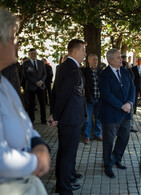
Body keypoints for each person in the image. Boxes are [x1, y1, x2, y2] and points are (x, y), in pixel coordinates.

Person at [0, 7, 50, 193]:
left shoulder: (4, 83)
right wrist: (36, 161)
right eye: (14, 38)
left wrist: (39, 145)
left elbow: (25, 123)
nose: (17, 46)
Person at [47, 39, 87, 194]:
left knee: (64, 152)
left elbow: (56, 92)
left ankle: (62, 184)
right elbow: (63, 94)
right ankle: (65, 188)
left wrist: (54, 114)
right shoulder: (71, 68)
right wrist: (55, 116)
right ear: (76, 51)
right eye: (83, 50)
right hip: (70, 118)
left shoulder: (66, 66)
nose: (84, 54)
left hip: (69, 117)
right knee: (68, 154)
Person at [99, 48, 135, 178]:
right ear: (110, 60)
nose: (122, 59)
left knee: (124, 137)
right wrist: (121, 106)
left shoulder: (125, 72)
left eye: (121, 57)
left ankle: (117, 159)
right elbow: (106, 95)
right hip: (111, 114)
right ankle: (108, 165)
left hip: (125, 113)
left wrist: (130, 103)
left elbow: (132, 88)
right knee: (108, 141)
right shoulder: (104, 75)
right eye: (119, 57)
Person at [81, 54, 102, 144]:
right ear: (88, 61)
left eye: (96, 59)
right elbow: (84, 85)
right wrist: (87, 96)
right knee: (88, 118)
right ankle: (87, 136)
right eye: (93, 59)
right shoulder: (84, 71)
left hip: (99, 98)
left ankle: (98, 134)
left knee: (99, 117)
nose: (95, 61)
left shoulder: (100, 71)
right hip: (89, 98)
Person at [23, 48, 47, 124]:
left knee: (43, 104)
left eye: (35, 53)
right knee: (31, 105)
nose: (34, 55)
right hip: (31, 87)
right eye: (32, 53)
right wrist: (36, 82)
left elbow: (44, 74)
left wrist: (41, 81)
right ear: (29, 54)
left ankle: (43, 120)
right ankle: (31, 120)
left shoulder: (41, 63)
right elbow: (27, 75)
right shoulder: (26, 64)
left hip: (41, 86)